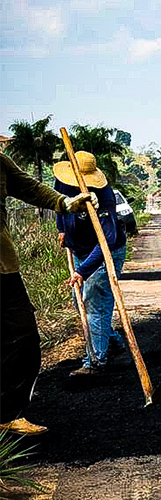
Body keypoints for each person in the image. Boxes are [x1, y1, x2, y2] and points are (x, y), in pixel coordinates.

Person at [0, 153, 94, 434]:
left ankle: (6, 413)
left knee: (23, 338)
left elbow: (28, 186)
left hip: (3, 266)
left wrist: (63, 202)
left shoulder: (0, 163)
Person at [54, 151, 128, 377]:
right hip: (79, 248)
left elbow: (107, 240)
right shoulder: (63, 182)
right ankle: (111, 341)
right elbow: (59, 205)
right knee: (81, 304)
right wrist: (62, 229)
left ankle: (95, 361)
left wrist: (82, 271)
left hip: (104, 253)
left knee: (96, 305)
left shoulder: (104, 197)